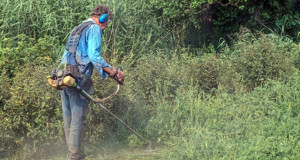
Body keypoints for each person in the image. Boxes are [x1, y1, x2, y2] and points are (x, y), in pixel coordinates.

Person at [59, 5, 124, 160]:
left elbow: (65, 54)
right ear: (103, 18)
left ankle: (74, 153)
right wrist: (113, 72)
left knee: (68, 120)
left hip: (64, 76)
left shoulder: (78, 27)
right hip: (78, 78)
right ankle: (75, 156)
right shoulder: (94, 29)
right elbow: (94, 56)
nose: (107, 26)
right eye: (107, 21)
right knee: (77, 119)